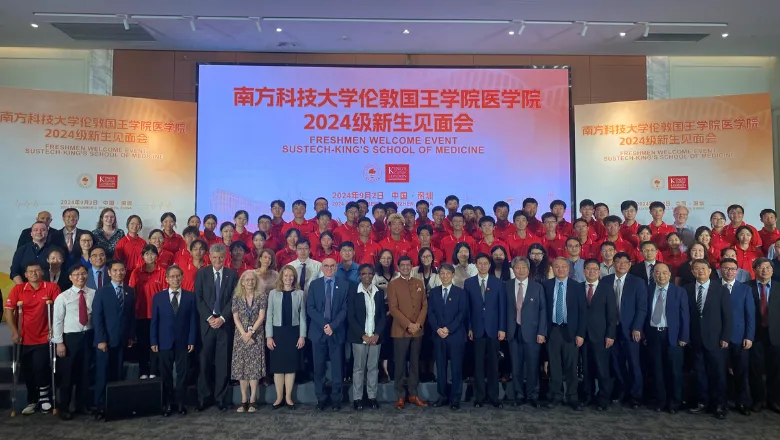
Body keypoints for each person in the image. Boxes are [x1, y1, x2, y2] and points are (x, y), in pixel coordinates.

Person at [4, 262, 61, 415]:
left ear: (42, 272)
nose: (34, 273)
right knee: (28, 370)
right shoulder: (18, 290)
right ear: (26, 275)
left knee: (40, 366)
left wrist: (54, 330)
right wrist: (15, 331)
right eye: (30, 271)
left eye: (37, 271)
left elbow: (58, 310)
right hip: (24, 337)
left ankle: (44, 397)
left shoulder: (52, 288)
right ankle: (32, 400)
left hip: (44, 336)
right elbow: (9, 311)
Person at [194, 243, 238, 412]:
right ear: (209, 258)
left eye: (220, 257)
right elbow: (198, 299)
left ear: (225, 257)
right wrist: (209, 318)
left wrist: (221, 318)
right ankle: (204, 398)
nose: (217, 260)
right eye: (214, 257)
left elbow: (233, 300)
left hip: (224, 326)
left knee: (222, 364)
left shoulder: (232, 274)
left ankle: (221, 399)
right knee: (204, 363)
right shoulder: (202, 273)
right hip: (206, 326)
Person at [685, 259, 731, 419]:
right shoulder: (687, 289)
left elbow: (728, 316)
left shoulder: (721, 290)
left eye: (703, 268)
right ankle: (702, 402)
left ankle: (719, 405)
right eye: (696, 269)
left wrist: (725, 336)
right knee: (699, 373)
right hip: (695, 339)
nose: (700, 271)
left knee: (718, 374)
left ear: (710, 270)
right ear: (692, 272)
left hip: (716, 339)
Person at [92, 260, 136, 420]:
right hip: (105, 341)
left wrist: (131, 336)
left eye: (122, 270)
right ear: (109, 273)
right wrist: (101, 339)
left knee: (117, 373)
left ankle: (114, 404)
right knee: (102, 374)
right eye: (115, 270)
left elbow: (131, 316)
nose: (119, 273)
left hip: (122, 340)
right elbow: (97, 318)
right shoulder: (102, 292)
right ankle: (100, 406)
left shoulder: (130, 291)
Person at [151, 265, 197, 417]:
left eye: (178, 276)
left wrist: (191, 339)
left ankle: (181, 403)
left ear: (182, 278)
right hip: (164, 342)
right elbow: (154, 322)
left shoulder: (190, 297)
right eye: (172, 276)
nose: (175, 279)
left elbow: (193, 321)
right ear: (166, 279)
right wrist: (153, 341)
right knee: (166, 375)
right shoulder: (158, 297)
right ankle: (168, 403)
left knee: (183, 374)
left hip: (184, 342)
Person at [604, 252, 647, 409]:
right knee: (616, 363)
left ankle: (636, 396)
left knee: (634, 363)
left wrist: (637, 327)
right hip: (612, 329)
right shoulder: (606, 281)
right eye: (618, 262)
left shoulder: (638, 282)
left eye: (624, 262)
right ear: (613, 264)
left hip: (630, 330)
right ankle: (621, 391)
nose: (621, 265)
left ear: (630, 264)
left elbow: (642, 308)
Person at [543, 257, 586, 410]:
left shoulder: (578, 287)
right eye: (556, 266)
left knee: (571, 366)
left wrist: (581, 333)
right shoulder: (546, 285)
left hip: (571, 331)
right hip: (553, 330)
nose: (560, 269)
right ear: (552, 269)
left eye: (563, 266)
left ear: (569, 269)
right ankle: (555, 395)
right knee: (554, 366)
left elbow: (583, 312)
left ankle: (572, 396)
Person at [646, 262, 689, 414]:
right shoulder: (648, 290)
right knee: (657, 370)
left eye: (664, 272)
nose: (661, 275)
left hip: (673, 336)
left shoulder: (679, 292)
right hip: (653, 334)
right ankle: (660, 401)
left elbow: (685, 316)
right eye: (657, 272)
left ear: (670, 275)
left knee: (674, 371)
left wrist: (684, 336)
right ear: (653, 275)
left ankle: (674, 402)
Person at [51, 264, 93, 420]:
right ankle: (65, 407)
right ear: (70, 277)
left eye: (83, 273)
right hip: (70, 339)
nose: (80, 277)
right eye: (76, 274)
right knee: (67, 375)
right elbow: (57, 321)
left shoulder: (93, 294)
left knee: (85, 373)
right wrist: (59, 342)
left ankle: (82, 405)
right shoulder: (63, 297)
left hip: (88, 336)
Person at [307, 257, 349, 410]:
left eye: (332, 266)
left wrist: (333, 326)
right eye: (326, 266)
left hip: (336, 332)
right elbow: (310, 308)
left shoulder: (344, 285)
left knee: (337, 368)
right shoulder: (314, 285)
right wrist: (325, 325)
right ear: (321, 268)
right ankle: (321, 398)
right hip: (318, 333)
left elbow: (345, 309)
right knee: (319, 368)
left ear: (336, 268)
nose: (329, 268)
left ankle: (336, 399)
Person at [465, 253, 506, 408]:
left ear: (490, 265)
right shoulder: (469, 283)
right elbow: (467, 309)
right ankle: (479, 397)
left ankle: (494, 397)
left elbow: (502, 307)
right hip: (476, 329)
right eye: (480, 263)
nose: (482, 266)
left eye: (485, 263)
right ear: (476, 265)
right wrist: (469, 327)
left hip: (494, 329)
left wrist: (502, 328)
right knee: (478, 365)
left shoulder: (498, 283)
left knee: (494, 365)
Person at [387, 256, 429, 409]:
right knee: (399, 364)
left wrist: (418, 324)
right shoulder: (393, 285)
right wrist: (408, 325)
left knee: (414, 364)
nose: (405, 267)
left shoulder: (419, 283)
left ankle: (413, 394)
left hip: (417, 331)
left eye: (408, 264)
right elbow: (393, 308)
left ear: (412, 266)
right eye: (402, 265)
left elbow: (424, 305)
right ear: (398, 267)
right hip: (400, 331)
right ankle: (400, 396)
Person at [505, 257, 547, 407]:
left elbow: (543, 311)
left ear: (529, 270)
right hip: (513, 331)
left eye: (523, 267)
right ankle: (518, 394)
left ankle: (532, 394)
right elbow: (503, 310)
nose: (520, 270)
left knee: (533, 366)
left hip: (533, 333)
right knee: (516, 366)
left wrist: (542, 332)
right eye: (517, 267)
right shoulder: (507, 286)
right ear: (513, 269)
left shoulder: (537, 287)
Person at [266, 264, 307, 410]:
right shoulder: (273, 293)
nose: (288, 278)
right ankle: (279, 398)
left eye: (291, 276)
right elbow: (269, 316)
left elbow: (302, 317)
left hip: (293, 333)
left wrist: (302, 336)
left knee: (290, 367)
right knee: (278, 368)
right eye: (286, 275)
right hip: (277, 333)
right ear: (281, 277)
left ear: (294, 278)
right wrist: (269, 336)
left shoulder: (300, 293)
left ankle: (288, 398)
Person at [427, 263, 468, 410]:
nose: (444, 276)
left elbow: (461, 314)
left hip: (455, 335)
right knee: (441, 368)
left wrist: (448, 329)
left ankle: (455, 398)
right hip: (438, 335)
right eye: (442, 273)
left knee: (456, 368)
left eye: (447, 273)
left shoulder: (461, 292)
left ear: (453, 275)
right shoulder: (434, 292)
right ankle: (442, 396)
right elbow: (430, 313)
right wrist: (438, 329)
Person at [719, 257, 755, 416]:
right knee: (720, 373)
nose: (729, 271)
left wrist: (749, 336)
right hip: (718, 338)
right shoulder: (714, 287)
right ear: (720, 270)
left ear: (737, 271)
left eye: (733, 269)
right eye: (726, 268)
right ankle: (722, 403)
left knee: (741, 372)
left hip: (740, 337)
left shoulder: (745, 289)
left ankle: (743, 403)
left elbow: (750, 315)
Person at [581, 259, 617, 411]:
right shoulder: (577, 288)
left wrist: (610, 334)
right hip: (583, 336)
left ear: (599, 271)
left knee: (602, 369)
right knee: (586, 369)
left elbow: (612, 315)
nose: (591, 271)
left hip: (602, 336)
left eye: (595, 269)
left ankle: (603, 399)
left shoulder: (607, 289)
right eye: (589, 269)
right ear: (584, 271)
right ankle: (587, 396)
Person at [348, 264, 386, 410]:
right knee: (358, 368)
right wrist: (363, 335)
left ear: (373, 275)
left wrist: (377, 334)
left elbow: (383, 316)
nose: (367, 276)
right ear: (359, 275)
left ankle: (372, 396)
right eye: (364, 274)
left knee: (373, 368)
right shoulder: (353, 292)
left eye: (370, 273)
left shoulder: (379, 292)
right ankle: (357, 398)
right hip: (359, 338)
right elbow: (351, 317)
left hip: (375, 338)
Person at [230, 270, 267, 413]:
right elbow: (236, 318)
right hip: (240, 337)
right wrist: (244, 334)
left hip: (256, 336)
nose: (250, 282)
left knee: (254, 369)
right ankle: (243, 399)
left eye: (252, 279)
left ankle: (252, 400)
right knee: (242, 368)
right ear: (242, 282)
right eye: (247, 280)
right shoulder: (237, 297)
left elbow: (261, 316)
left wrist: (251, 333)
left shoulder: (261, 296)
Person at [129, 244, 168, 379]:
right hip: (140, 314)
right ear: (143, 256)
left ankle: (154, 371)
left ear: (157, 256)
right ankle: (143, 371)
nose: (149, 256)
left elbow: (166, 294)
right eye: (146, 254)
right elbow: (131, 292)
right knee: (143, 343)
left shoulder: (163, 272)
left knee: (156, 344)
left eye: (152, 254)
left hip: (158, 315)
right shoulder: (136, 272)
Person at [748, 258, 780, 413]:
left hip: (775, 334)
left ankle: (774, 400)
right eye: (760, 267)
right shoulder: (747, 288)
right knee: (755, 369)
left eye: (768, 267)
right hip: (754, 335)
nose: (764, 270)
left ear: (772, 271)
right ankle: (758, 400)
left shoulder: (779, 288)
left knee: (775, 370)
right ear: (754, 270)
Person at [374, 249, 395, 383]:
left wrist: (393, 310)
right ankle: (382, 371)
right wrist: (384, 312)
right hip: (380, 312)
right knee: (382, 341)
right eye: (383, 258)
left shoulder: (398, 275)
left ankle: (392, 370)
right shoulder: (375, 276)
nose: (386, 260)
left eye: (389, 258)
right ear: (379, 260)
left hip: (396, 312)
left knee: (393, 342)